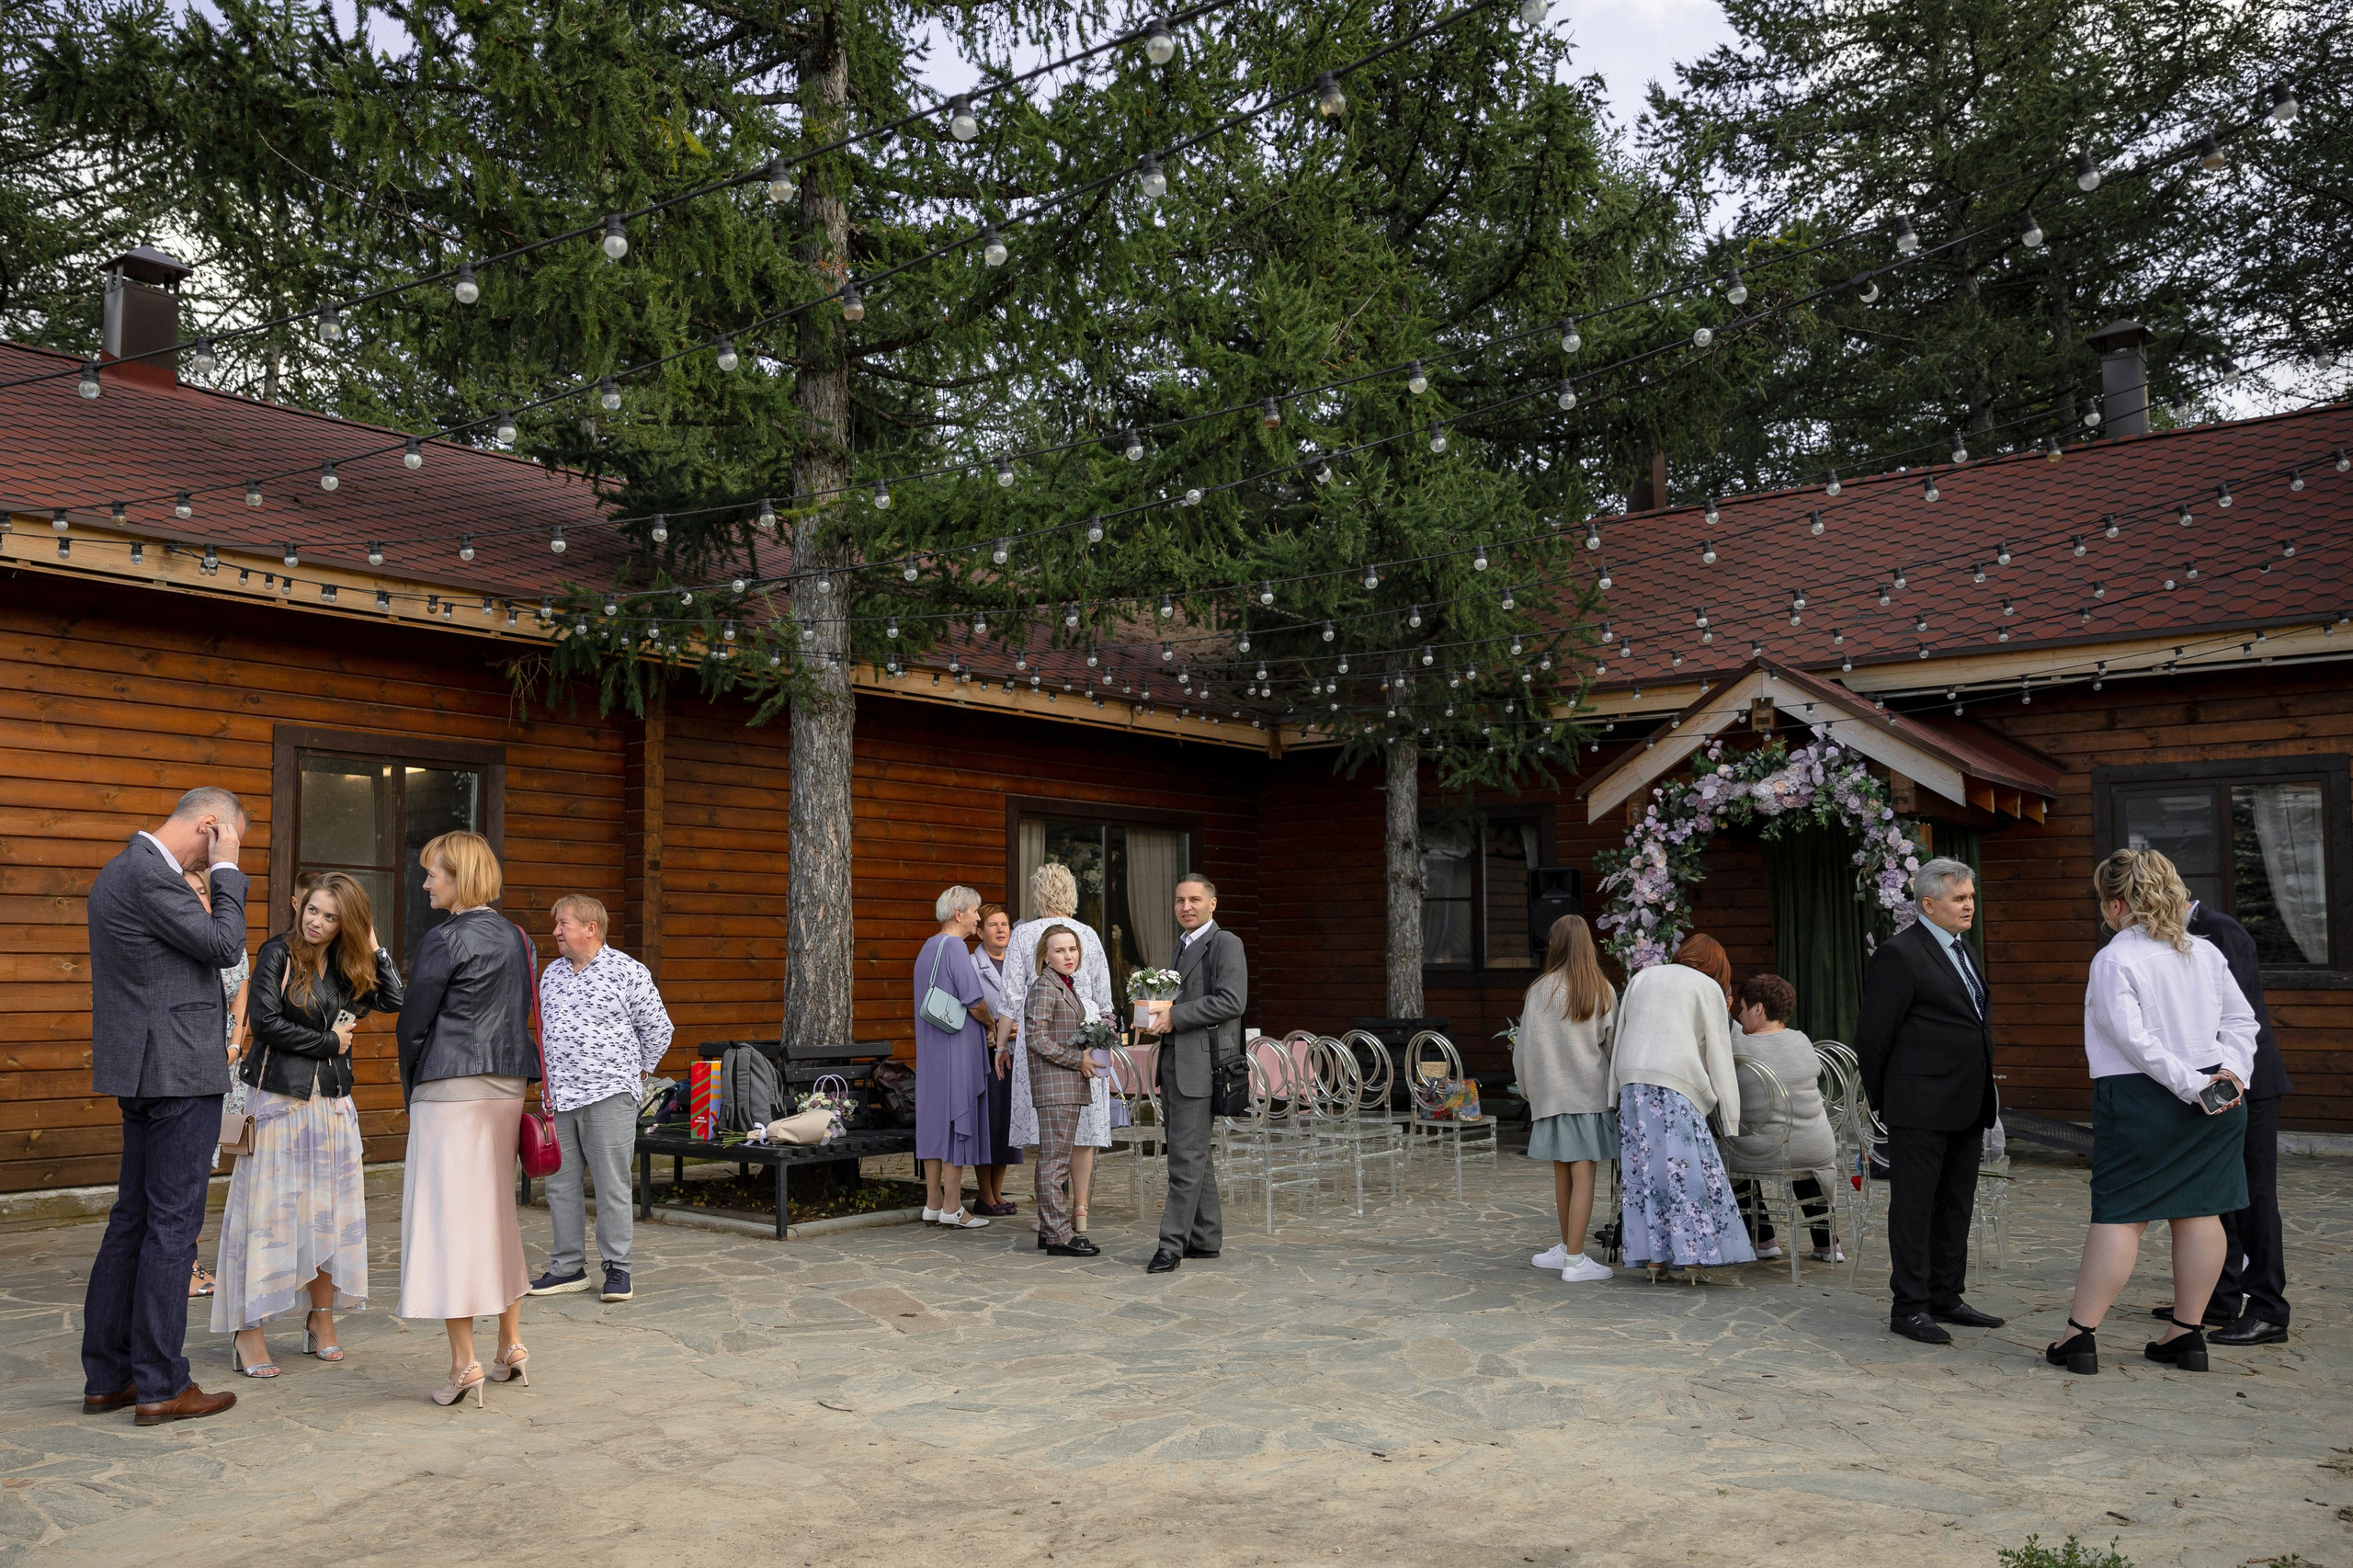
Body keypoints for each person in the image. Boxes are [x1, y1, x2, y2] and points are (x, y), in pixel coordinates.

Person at [2044, 848, 2256, 1376]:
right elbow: (2242, 1022)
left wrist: (2195, 1084)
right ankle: (2187, 1337)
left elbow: (2133, 1040)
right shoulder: (2204, 953)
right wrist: (2230, 1076)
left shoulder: (2116, 958)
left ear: (2116, 903)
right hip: (2216, 1096)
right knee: (2201, 1212)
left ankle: (2080, 1337)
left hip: (2144, 1100)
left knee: (2121, 1214)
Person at [81, 785, 250, 1427]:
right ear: (211, 825)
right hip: (176, 1070)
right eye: (229, 839)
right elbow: (224, 944)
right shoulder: (152, 875)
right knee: (172, 1228)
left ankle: (111, 1375)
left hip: (147, 1067)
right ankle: (159, 1384)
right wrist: (228, 869)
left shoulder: (126, 871)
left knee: (134, 1219)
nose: (225, 855)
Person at [213, 872, 401, 1376]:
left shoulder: (348, 961)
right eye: (312, 910)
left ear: (348, 924)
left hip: (332, 1105)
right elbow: (266, 1020)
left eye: (331, 916)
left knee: (327, 1217)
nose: (316, 922)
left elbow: (394, 999)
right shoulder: (278, 952)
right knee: (268, 1217)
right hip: (279, 1100)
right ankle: (247, 1332)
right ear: (300, 907)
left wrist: (373, 945)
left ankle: (322, 1321)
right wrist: (328, 1044)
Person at [395, 831, 540, 1407]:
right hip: (505, 1084)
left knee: (446, 1222)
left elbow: (414, 1022)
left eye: (434, 873)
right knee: (495, 1213)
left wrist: (412, 1087)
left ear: (460, 876)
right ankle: (511, 1346)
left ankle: (464, 1364)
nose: (426, 883)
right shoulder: (517, 937)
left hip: (451, 1085)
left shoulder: (445, 939)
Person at [1857, 857, 2006, 1346]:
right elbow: (1874, 1036)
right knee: (1915, 1208)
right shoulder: (1901, 954)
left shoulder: (1963, 950)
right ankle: (1911, 1306)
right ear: (1928, 904)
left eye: (1971, 896)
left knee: (1956, 1204)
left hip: (1967, 1102)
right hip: (1918, 1104)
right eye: (1959, 899)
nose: (1970, 906)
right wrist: (1884, 1099)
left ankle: (1946, 1294)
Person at [528, 894, 673, 1305]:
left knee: (611, 1184)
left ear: (591, 928)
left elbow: (659, 1029)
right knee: (559, 1185)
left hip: (610, 1096)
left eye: (564, 923)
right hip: (560, 1098)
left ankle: (618, 1269)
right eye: (556, 923)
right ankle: (567, 1267)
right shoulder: (551, 975)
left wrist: (635, 1072)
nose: (556, 931)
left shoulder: (627, 971)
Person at [1607, 934, 1756, 1275]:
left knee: (1643, 1169)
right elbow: (1718, 1051)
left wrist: (1611, 1089)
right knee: (1685, 1170)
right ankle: (1691, 1257)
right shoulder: (1707, 987)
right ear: (1717, 966)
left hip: (1632, 1078)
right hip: (1676, 1079)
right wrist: (1729, 1114)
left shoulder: (1643, 976)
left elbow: (1621, 1030)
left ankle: (1654, 1258)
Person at [2188, 896, 2293, 1346]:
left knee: (2254, 1198)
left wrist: (2227, 1081)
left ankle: (2269, 1309)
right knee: (2224, 1193)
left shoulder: (2222, 930)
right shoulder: (2191, 931)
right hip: (2221, 1085)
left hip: (2250, 1082)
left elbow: (2238, 1019)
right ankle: (2222, 1295)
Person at [1137, 874, 1245, 1274]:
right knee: (1195, 1155)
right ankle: (1205, 1236)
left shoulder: (1225, 943)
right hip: (1176, 1067)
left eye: (1195, 900)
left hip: (1200, 1068)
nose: (1187, 906)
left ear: (1212, 904)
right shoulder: (1182, 946)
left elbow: (1232, 1001)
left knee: (1184, 1159)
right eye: (1181, 900)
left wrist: (1175, 1016)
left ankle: (1171, 1246)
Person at [1003, 864, 1117, 1238]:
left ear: (1038, 894)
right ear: (1073, 893)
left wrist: (1002, 1044)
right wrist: (1105, 1040)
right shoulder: (1087, 935)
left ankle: (1048, 1212)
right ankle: (1080, 1209)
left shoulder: (1024, 936)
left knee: (1048, 1128)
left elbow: (1011, 997)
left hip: (1041, 1036)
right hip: (1087, 1033)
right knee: (1084, 1128)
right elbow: (1104, 997)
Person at [1511, 915, 1618, 1283]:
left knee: (1563, 1173)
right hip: (1588, 1096)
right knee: (1584, 1174)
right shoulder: (1601, 988)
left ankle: (1565, 1247)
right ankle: (1574, 1259)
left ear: (1554, 945)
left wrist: (1529, 1091)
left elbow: (1522, 1050)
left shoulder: (1539, 989)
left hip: (1550, 1096)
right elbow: (1613, 1048)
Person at [1725, 972, 1838, 1262]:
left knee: (1728, 1152)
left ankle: (1764, 1239)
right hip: (1816, 1147)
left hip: (1761, 1152)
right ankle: (1828, 1244)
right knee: (1796, 1151)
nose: (1739, 1014)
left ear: (1759, 1009)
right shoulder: (1801, 1040)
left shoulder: (1738, 1044)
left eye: (1743, 1007)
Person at [914, 886, 997, 1229]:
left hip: (931, 1048)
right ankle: (953, 1208)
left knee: (936, 1124)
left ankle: (932, 1204)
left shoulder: (928, 946)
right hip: (954, 1048)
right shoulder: (955, 947)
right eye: (976, 911)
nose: (979, 918)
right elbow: (974, 1000)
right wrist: (993, 1025)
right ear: (958, 913)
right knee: (956, 1124)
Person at [1023, 926, 1103, 1257]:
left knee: (1055, 1160)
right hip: (1057, 1086)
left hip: (1066, 1086)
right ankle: (1058, 1235)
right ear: (1045, 956)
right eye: (1060, 950)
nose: (1069, 956)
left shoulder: (1063, 985)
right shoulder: (1045, 986)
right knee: (1054, 1163)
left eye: (1073, 949)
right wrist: (1077, 1059)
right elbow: (1036, 1038)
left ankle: (1048, 1229)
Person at [968, 903, 1022, 1218]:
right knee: (988, 1123)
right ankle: (985, 1195)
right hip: (986, 1056)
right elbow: (970, 1007)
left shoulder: (1018, 964)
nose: (1001, 930)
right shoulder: (973, 965)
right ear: (980, 931)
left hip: (1015, 1054)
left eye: (1005, 924)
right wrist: (996, 1030)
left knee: (1006, 1126)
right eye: (993, 925)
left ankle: (998, 1193)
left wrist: (1015, 1030)